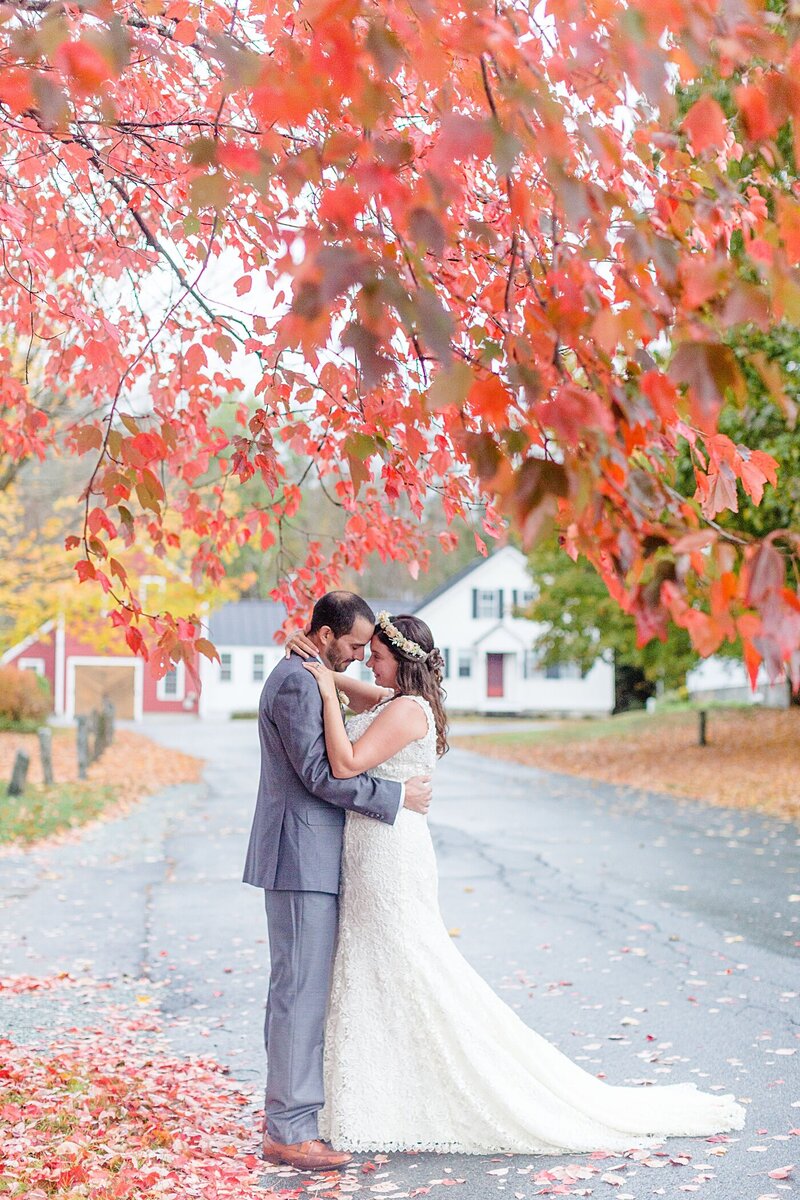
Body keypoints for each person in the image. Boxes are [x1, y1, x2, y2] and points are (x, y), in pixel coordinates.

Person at [294, 609, 746, 1155]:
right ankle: (377, 1093)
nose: (368, 662)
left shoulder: (407, 712)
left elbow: (344, 765)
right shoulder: (392, 700)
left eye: (378, 656)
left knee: (412, 967)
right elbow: (349, 685)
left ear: (403, 663)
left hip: (389, 856)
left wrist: (322, 691)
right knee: (374, 969)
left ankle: (441, 1085)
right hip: (372, 849)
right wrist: (318, 665)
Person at [243, 592, 433, 1172]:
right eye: (353, 646)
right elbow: (323, 775)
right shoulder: (299, 684)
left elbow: (387, 697)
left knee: (302, 991)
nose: (358, 657)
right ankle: (289, 1131)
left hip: (313, 854)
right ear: (325, 635)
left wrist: (331, 674)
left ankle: (293, 1118)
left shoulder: (313, 673)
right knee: (298, 994)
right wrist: (397, 796)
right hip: (301, 855)